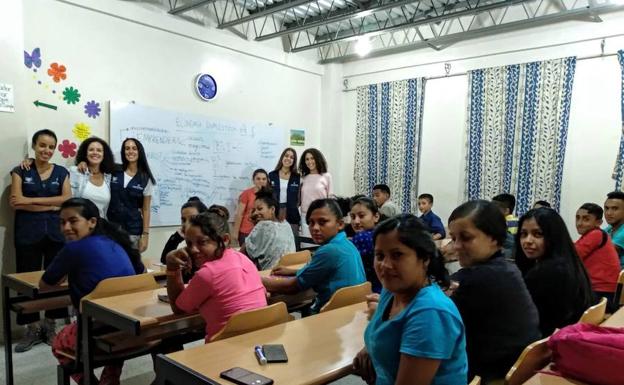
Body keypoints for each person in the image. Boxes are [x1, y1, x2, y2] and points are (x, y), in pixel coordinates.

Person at [39, 198, 144, 385]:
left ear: (92, 222)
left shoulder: (73, 248)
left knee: (58, 344)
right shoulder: (116, 242)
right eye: (62, 222)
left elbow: (45, 285)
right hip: (131, 329)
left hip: (95, 331)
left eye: (73, 221)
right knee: (110, 321)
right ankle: (110, 379)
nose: (66, 228)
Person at [353, 215, 467, 385]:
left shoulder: (430, 313)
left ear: (425, 259)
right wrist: (370, 348)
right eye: (380, 255)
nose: (385, 265)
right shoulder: (392, 291)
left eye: (397, 255)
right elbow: (385, 332)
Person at [448, 200, 540, 382]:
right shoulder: (507, 268)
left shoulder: (478, 278)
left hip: (490, 374)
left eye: (465, 238)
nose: (456, 246)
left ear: (494, 239)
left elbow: (434, 318)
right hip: (518, 368)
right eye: (453, 238)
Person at [9, 129, 71, 352]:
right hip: (27, 233)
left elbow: (66, 200)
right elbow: (15, 202)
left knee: (56, 281)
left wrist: (31, 200)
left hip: (56, 234)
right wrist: (50, 204)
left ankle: (51, 325)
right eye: (42, 145)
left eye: (51, 147)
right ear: (34, 146)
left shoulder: (62, 172)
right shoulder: (19, 170)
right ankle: (32, 328)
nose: (47, 150)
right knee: (27, 282)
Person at [164, 209, 268, 342]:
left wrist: (172, 267)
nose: (193, 250)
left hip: (224, 350)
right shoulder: (243, 259)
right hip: (256, 342)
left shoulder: (207, 274)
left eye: (202, 242)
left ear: (224, 240)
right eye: (189, 243)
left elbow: (179, 309)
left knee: (170, 344)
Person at [261, 198, 366, 313]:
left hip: (328, 315)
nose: (315, 228)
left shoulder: (329, 250)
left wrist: (258, 280)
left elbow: (292, 287)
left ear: (340, 224)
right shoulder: (347, 244)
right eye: (311, 223)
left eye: (322, 222)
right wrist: (293, 271)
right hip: (349, 313)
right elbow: (322, 270)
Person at [515, 208, 595, 337]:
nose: (528, 241)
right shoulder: (568, 262)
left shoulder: (546, 272)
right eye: (523, 234)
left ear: (554, 237)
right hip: (568, 336)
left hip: (550, 343)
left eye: (538, 234)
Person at [107, 138, 156, 252]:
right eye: (127, 148)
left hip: (133, 230)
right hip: (111, 229)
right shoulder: (114, 170)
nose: (130, 151)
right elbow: (95, 167)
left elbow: (146, 209)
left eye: (134, 148)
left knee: (131, 265)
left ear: (139, 152)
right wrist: (83, 162)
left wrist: (145, 235)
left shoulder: (145, 178)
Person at [574, 203, 620, 311]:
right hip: (603, 292)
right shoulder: (591, 235)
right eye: (577, 218)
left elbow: (572, 256)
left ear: (598, 222)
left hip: (602, 294)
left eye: (586, 219)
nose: (579, 223)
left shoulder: (596, 234)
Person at [241, 189, 296, 270]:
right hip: (290, 271)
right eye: (254, 210)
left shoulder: (263, 225)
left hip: (270, 275)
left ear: (272, 209)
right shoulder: (285, 224)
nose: (255, 213)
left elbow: (243, 253)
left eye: (260, 209)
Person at [69, 137, 117, 218]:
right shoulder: (75, 172)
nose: (95, 152)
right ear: (85, 153)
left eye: (99, 150)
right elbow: (69, 201)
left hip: (101, 226)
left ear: (104, 155)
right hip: (79, 226)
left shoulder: (109, 177)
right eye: (91, 150)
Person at [349, 197, 382, 293]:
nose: (356, 221)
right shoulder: (379, 234)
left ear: (376, 216)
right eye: (353, 217)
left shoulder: (362, 237)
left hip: (370, 291)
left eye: (361, 216)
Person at [299, 148, 332, 236]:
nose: (310, 161)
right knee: (306, 244)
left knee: (319, 243)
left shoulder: (326, 176)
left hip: (321, 215)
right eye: (307, 159)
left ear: (317, 159)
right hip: (305, 216)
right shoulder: (303, 178)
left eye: (312, 158)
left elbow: (331, 198)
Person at [231, 168, 269, 246]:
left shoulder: (269, 194)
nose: (261, 181)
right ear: (253, 180)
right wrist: (235, 232)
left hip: (262, 232)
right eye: (258, 179)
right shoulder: (246, 194)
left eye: (264, 179)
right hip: (246, 231)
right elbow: (239, 214)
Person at [268, 148, 301, 234]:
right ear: (282, 157)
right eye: (286, 156)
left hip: (291, 211)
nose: (288, 159)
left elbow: (299, 196)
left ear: (294, 161)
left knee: (292, 239)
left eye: (292, 157)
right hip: (275, 210)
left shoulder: (297, 177)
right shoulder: (272, 175)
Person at [604, 191, 624, 266]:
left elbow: (605, 252)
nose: (609, 213)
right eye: (606, 208)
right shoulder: (608, 229)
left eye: (615, 209)